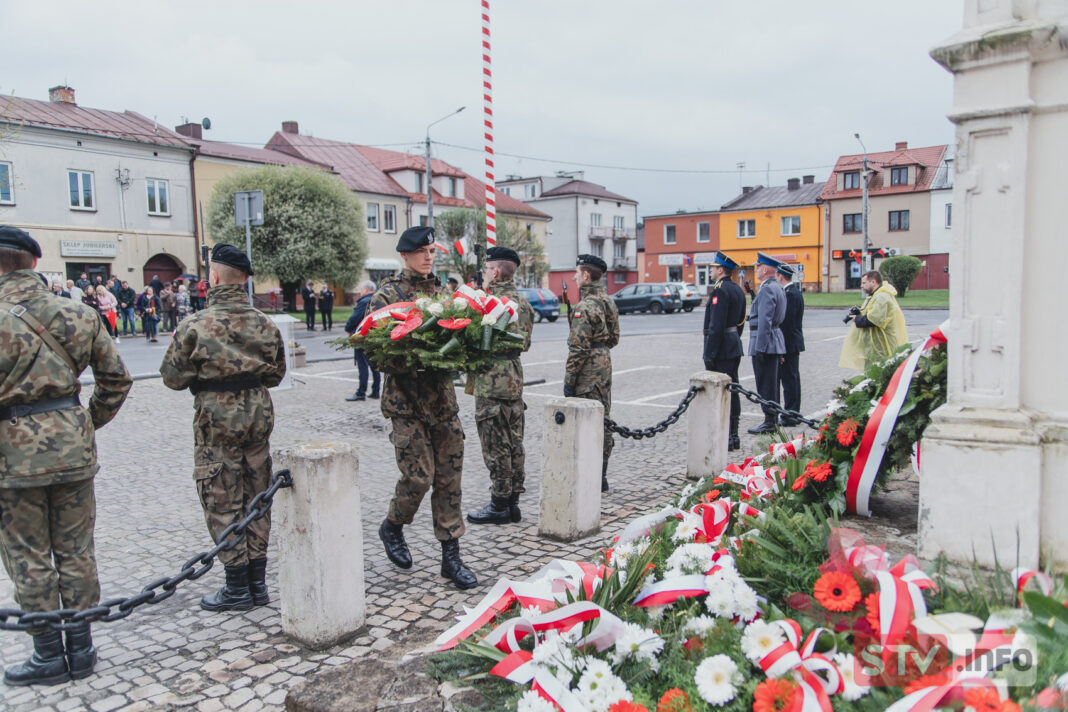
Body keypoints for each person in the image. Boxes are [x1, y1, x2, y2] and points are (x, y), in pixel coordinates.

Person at [0, 226, 132, 686]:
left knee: (27, 554)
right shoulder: (78, 312)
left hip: (12, 455)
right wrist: (83, 424)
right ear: (34, 263)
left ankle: (48, 655)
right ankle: (82, 648)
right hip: (71, 445)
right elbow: (116, 380)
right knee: (77, 550)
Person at [160, 244, 286, 612]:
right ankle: (257, 585)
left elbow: (172, 378)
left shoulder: (195, 324)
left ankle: (236, 588)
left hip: (216, 422)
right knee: (257, 496)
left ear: (213, 277)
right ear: (246, 280)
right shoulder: (265, 322)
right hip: (257, 418)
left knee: (222, 499)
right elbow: (276, 374)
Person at [368, 226, 476, 590]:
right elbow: (373, 352)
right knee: (419, 476)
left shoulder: (446, 294)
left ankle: (451, 556)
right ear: (404, 255)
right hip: (406, 404)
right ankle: (393, 526)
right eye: (422, 251)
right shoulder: (387, 296)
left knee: (449, 477)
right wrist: (416, 358)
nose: (429, 256)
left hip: (443, 402)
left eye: (432, 250)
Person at [466, 246, 536, 525]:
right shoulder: (523, 303)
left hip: (491, 377)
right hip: (513, 375)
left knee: (495, 442)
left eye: (486, 269)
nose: (484, 274)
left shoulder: (488, 303)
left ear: (495, 272)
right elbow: (525, 344)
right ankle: (512, 503)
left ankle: (499, 505)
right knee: (513, 440)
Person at [563, 254, 621, 492]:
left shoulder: (584, 306)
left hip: (588, 369)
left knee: (588, 420)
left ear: (586, 276)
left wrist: (569, 381)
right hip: (604, 363)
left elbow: (578, 348)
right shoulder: (608, 301)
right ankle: (601, 475)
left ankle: (590, 475)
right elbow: (615, 338)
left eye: (577, 273)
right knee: (603, 416)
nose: (574, 277)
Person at [702, 251, 747, 451]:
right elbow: (741, 322)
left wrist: (709, 354)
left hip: (722, 348)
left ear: (720, 270)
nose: (710, 270)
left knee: (722, 391)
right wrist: (734, 338)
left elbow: (716, 327)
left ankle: (726, 435)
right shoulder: (737, 289)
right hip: (733, 343)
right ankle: (733, 435)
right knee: (733, 389)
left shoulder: (719, 291)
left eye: (713, 267)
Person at [747, 252, 787, 435]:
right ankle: (772, 418)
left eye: (757, 267)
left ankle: (769, 421)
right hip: (774, 340)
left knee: (765, 384)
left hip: (766, 342)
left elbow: (765, 321)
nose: (756, 270)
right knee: (771, 383)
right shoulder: (777, 287)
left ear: (764, 269)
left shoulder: (767, 289)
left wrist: (760, 348)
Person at [839, 270, 908, 371]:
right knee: (873, 372)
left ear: (873, 282)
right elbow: (871, 312)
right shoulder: (874, 295)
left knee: (883, 372)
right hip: (874, 347)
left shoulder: (882, 297)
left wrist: (857, 319)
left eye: (864, 283)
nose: (861, 286)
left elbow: (874, 320)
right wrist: (860, 311)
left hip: (882, 346)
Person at [775, 265, 805, 426]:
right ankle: (792, 412)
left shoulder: (789, 295)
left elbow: (786, 324)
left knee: (789, 380)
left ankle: (791, 414)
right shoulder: (794, 292)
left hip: (790, 344)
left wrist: (783, 351)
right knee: (792, 378)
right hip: (793, 342)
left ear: (781, 277)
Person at [344, 281, 380, 401]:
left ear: (365, 289)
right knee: (375, 365)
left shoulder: (364, 301)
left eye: (361, 289)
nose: (360, 291)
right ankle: (376, 390)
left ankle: (361, 392)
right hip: (374, 335)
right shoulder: (377, 299)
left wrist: (348, 329)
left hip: (362, 335)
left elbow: (355, 318)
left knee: (363, 365)